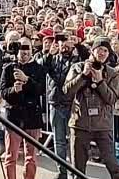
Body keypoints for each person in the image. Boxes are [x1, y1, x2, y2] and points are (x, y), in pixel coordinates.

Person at [64, 39, 119, 179]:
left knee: (114, 166)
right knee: (77, 169)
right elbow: (67, 91)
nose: (102, 53)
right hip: (80, 124)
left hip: (103, 126)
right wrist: (83, 76)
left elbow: (112, 99)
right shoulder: (77, 67)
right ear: (92, 51)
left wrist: (100, 82)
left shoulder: (112, 73)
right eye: (99, 49)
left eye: (105, 51)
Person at [38, 31, 87, 179]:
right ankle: (62, 172)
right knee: (59, 141)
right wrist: (49, 55)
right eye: (61, 41)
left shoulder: (77, 58)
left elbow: (86, 62)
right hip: (55, 103)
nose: (64, 44)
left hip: (73, 104)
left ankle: (75, 172)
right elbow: (41, 70)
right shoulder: (52, 58)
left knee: (73, 141)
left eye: (67, 41)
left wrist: (77, 44)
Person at [0, 41, 46, 179]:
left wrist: (27, 80)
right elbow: (3, 92)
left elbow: (41, 90)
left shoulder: (39, 68)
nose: (25, 53)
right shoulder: (8, 68)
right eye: (22, 49)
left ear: (32, 50)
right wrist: (14, 90)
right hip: (13, 117)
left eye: (28, 49)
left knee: (31, 157)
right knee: (10, 156)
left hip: (32, 117)